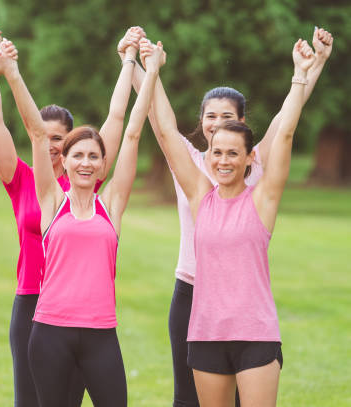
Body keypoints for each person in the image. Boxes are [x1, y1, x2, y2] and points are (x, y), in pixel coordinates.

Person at [123, 26, 333, 407]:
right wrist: (140, 67)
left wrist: (307, 69)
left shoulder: (260, 188)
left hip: (250, 320)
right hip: (198, 301)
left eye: (227, 120)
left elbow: (286, 127)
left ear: (248, 149)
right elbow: (162, 125)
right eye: (210, 117)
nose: (217, 127)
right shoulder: (197, 181)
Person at [0, 34, 164, 406]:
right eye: (78, 155)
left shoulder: (112, 204)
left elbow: (129, 129)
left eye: (93, 156)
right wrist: (12, 72)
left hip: (101, 335)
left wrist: (143, 68)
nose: (86, 162)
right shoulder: (53, 201)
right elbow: (37, 132)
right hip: (50, 332)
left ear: (102, 164)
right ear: (66, 162)